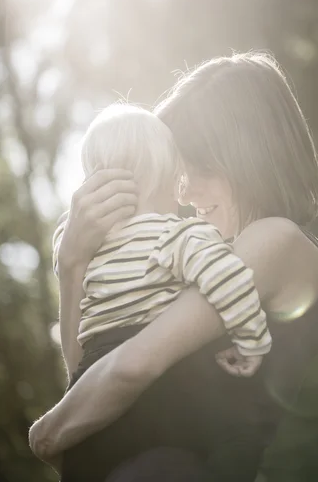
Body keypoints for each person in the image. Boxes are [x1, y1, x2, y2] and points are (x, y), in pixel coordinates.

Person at [29, 52, 318, 482]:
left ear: (250, 155)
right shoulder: (197, 262)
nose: (186, 190)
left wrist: (47, 434)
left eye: (202, 167)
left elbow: (133, 365)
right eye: (180, 170)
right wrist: (72, 267)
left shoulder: (275, 239)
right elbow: (91, 377)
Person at [55, 101, 272, 481]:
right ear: (173, 178)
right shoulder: (179, 235)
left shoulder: (80, 247)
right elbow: (229, 279)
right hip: (158, 401)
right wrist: (251, 339)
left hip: (91, 390)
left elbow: (78, 360)